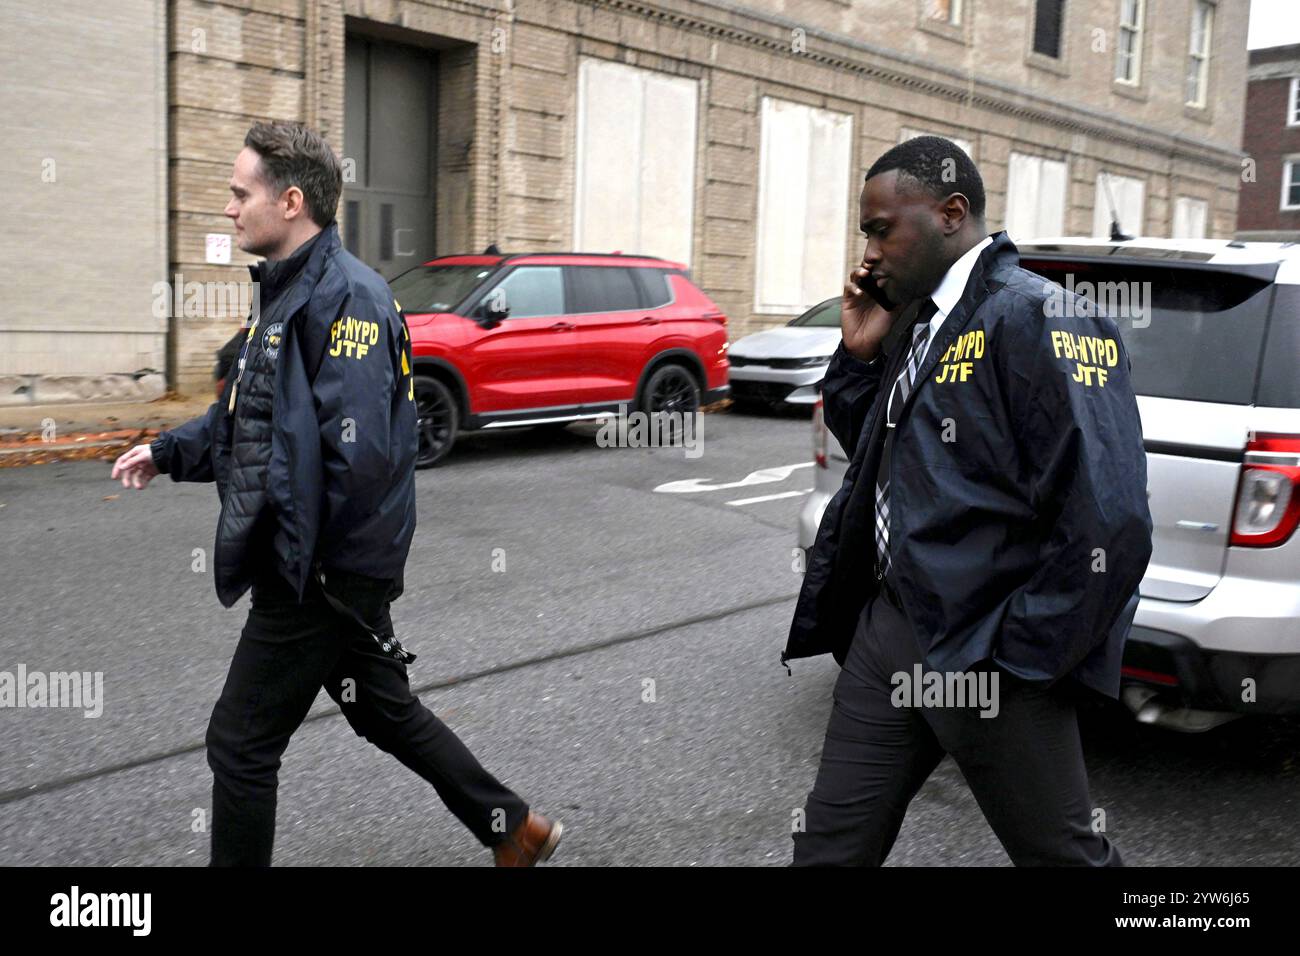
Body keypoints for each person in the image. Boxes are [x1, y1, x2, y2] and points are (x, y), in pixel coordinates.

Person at [111, 121, 561, 867]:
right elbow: (251, 418)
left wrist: (322, 575)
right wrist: (165, 451)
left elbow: (364, 461)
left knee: (241, 740)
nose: (228, 208)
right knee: (381, 711)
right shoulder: (288, 294)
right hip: (319, 564)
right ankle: (511, 827)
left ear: (290, 201)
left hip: (313, 572)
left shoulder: (347, 298)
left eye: (239, 192)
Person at [783, 136, 1152, 866]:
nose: (869, 248)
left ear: (951, 212)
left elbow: (1110, 520)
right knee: (828, 846)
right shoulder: (919, 319)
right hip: (891, 632)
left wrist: (1018, 658)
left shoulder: (1039, 316)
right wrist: (858, 355)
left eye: (881, 227)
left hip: (987, 648)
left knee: (1062, 857)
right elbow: (882, 454)